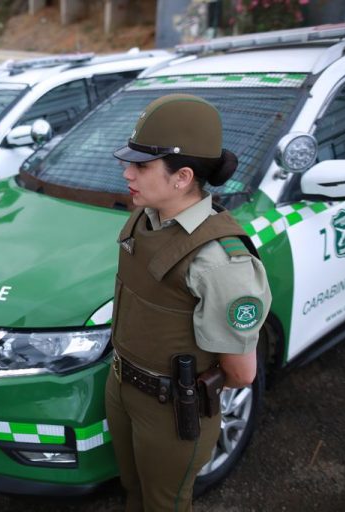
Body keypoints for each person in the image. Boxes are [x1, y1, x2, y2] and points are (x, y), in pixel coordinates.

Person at [106, 93, 272, 511]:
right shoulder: (145, 217)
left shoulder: (219, 261)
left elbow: (240, 372)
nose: (127, 173)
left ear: (182, 178)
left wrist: (175, 392)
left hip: (169, 409)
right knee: (132, 490)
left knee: (164, 504)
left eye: (141, 166)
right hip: (121, 385)